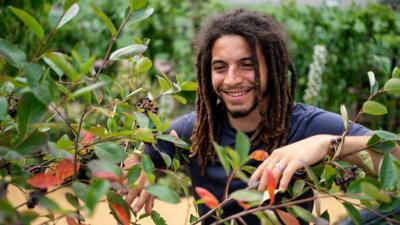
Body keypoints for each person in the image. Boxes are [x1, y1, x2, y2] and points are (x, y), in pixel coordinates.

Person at [124, 8, 400, 224]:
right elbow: (133, 165)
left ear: (272, 68)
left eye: (247, 65)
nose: (232, 80)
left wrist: (325, 145)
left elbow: (394, 159)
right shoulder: (194, 132)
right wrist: (141, 164)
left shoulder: (307, 126)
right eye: (220, 67)